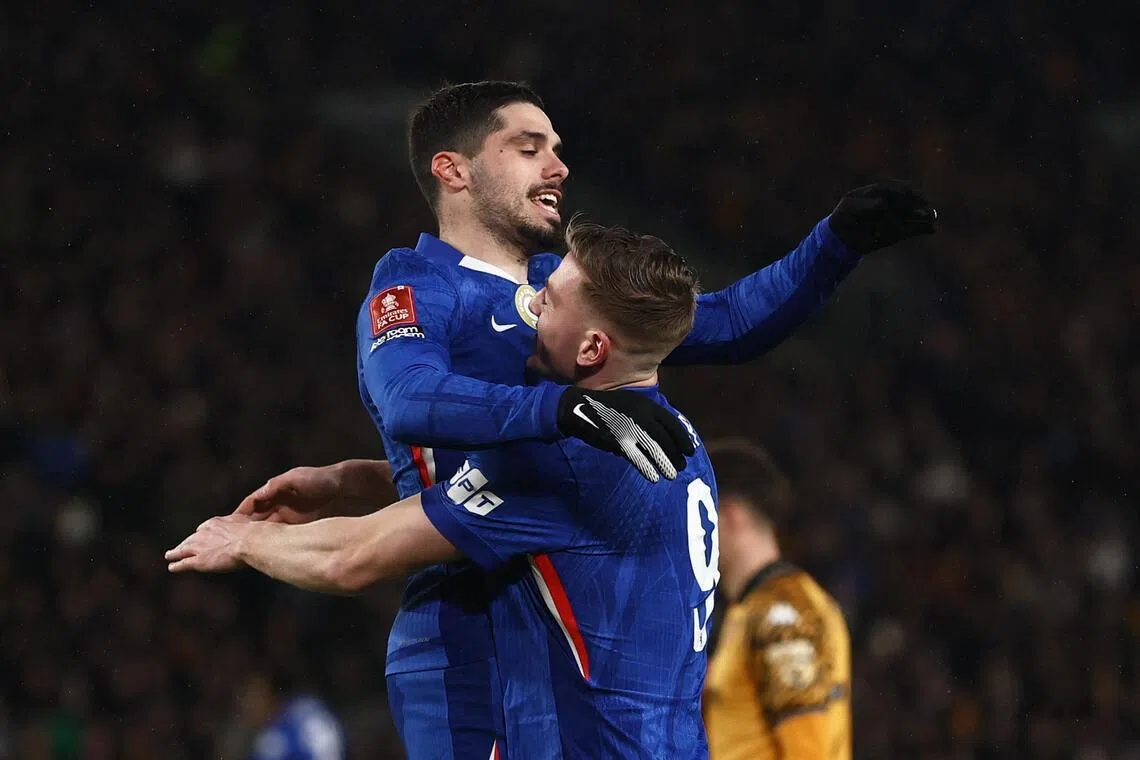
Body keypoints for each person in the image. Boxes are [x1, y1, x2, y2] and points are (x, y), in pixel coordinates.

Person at [234, 81, 934, 758]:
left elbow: (723, 322)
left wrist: (835, 244)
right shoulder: (415, 287)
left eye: (557, 147)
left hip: (571, 613)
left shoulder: (566, 285)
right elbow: (410, 399)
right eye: (529, 146)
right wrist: (564, 407)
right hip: (467, 627)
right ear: (454, 170)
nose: (558, 165)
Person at [169, 219, 720, 758]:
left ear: (591, 350)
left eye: (548, 302)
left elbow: (353, 558)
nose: (529, 310)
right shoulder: (675, 442)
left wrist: (241, 539)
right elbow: (529, 503)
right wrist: (347, 483)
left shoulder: (569, 457)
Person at [702, 440, 851, 760]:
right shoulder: (756, 609)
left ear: (731, 516)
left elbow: (809, 751)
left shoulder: (780, 611)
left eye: (700, 512)